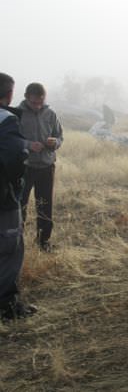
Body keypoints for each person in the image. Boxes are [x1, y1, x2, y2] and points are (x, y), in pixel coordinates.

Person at [0, 72, 35, 321]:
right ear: (10, 93)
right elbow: (15, 157)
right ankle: (7, 307)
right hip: (3, 198)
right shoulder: (6, 120)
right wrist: (15, 184)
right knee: (10, 249)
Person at [17, 82, 63, 252]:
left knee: (45, 206)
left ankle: (43, 241)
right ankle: (16, 242)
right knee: (19, 205)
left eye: (41, 102)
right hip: (23, 168)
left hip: (46, 167)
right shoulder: (16, 114)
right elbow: (9, 140)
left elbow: (59, 136)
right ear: (26, 97)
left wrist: (55, 142)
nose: (38, 106)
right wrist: (28, 144)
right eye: (34, 102)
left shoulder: (51, 114)